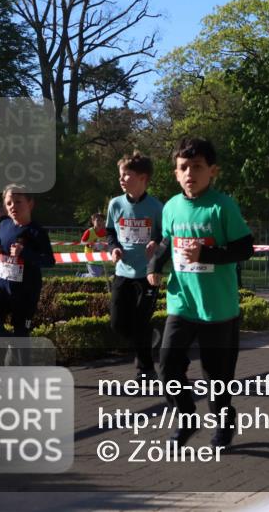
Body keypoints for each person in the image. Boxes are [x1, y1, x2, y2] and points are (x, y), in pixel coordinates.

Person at [147, 137, 254, 448]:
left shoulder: (222, 206)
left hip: (218, 308)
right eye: (183, 167)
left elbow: (244, 248)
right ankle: (186, 417)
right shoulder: (171, 207)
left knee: (216, 377)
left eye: (197, 167)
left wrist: (205, 254)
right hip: (181, 302)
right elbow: (167, 241)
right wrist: (155, 264)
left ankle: (224, 421)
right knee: (167, 364)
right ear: (175, 173)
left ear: (212, 171)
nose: (189, 173)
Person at [106, 151, 164, 381]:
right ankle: (150, 337)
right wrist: (114, 248)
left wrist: (156, 241)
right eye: (120, 175)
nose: (121, 179)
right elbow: (110, 232)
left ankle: (145, 369)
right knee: (117, 324)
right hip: (123, 271)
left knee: (140, 322)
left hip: (147, 274)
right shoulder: (115, 204)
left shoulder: (156, 207)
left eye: (126, 175)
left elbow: (165, 234)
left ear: (143, 178)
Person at [0, 185, 55, 338]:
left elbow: (49, 261)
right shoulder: (4, 225)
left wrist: (24, 253)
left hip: (26, 293)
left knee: (21, 334)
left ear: (30, 203)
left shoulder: (37, 231)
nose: (13, 206)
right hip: (2, 288)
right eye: (9, 203)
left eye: (18, 202)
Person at [79, 213, 108, 277]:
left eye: (101, 220)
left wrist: (105, 248)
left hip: (101, 258)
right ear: (93, 221)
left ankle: (81, 275)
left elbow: (107, 244)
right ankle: (81, 276)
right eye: (98, 220)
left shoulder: (105, 232)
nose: (100, 222)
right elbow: (82, 242)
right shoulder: (89, 231)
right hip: (90, 257)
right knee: (95, 276)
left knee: (98, 276)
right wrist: (91, 246)